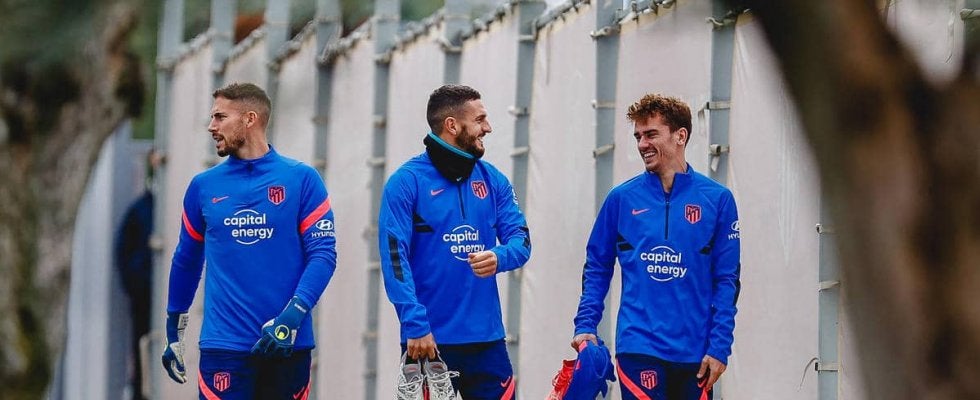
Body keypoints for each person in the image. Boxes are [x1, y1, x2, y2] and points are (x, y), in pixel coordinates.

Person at [161, 82, 337, 399]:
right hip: (224, 348)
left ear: (250, 119)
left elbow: (323, 255)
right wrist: (175, 328)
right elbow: (186, 259)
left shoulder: (302, 179)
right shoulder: (203, 186)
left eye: (220, 117)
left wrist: (291, 318)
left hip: (288, 343)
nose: (211, 126)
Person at [571, 94, 741, 400]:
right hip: (638, 346)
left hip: (695, 354)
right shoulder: (621, 199)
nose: (642, 144)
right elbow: (597, 266)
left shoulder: (718, 200)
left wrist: (720, 347)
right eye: (638, 136)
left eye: (651, 134)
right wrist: (585, 325)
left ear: (680, 136)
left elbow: (727, 280)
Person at [379, 84, 531, 400]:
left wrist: (500, 256)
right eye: (480, 120)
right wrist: (415, 324)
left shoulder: (493, 179)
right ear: (452, 125)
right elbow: (395, 260)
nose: (488, 128)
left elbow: (522, 241)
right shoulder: (406, 182)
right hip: (427, 341)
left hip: (487, 342)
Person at [114, 149, 162, 400]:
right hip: (146, 298)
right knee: (144, 354)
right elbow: (124, 252)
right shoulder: (141, 209)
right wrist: (140, 285)